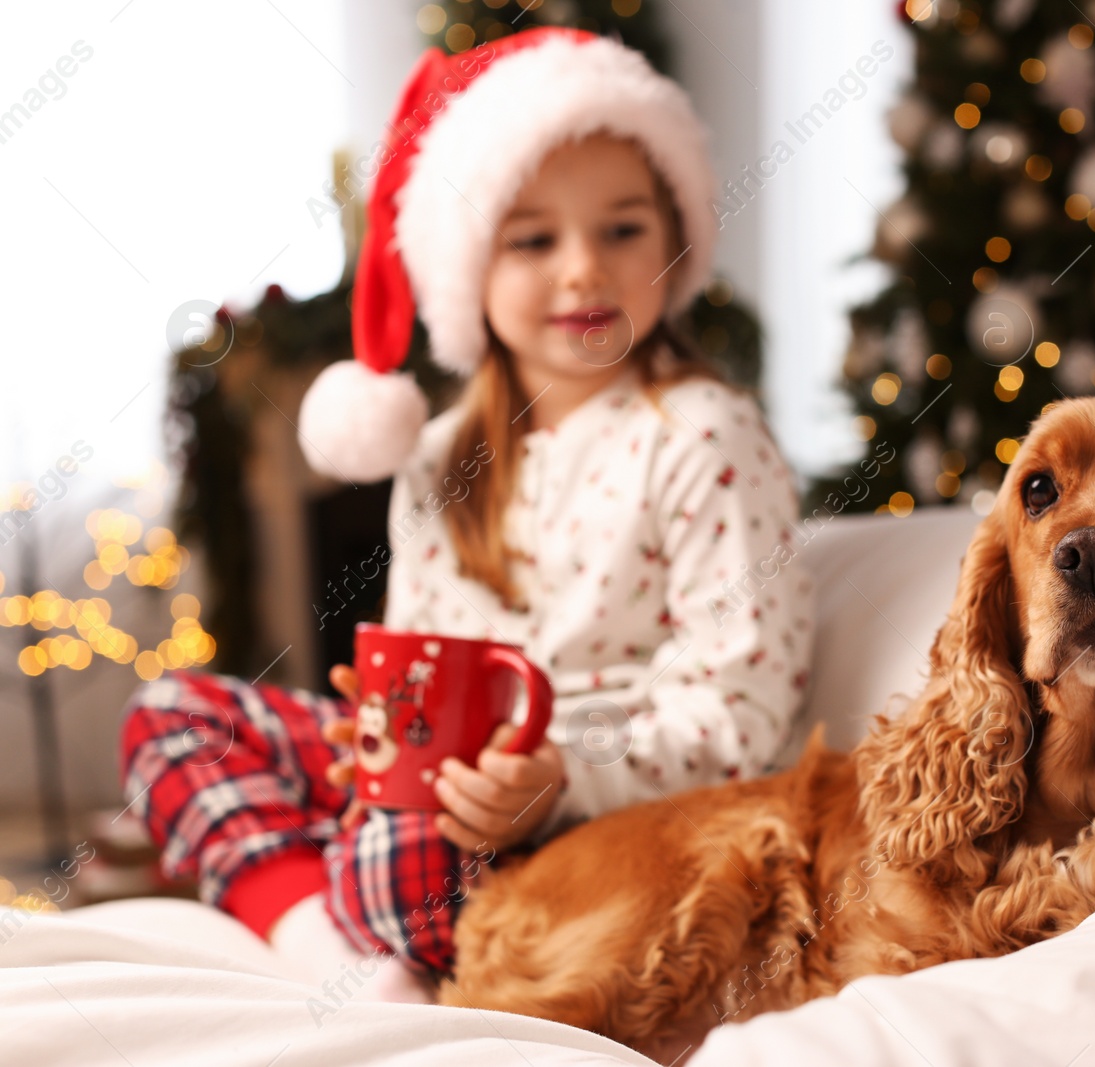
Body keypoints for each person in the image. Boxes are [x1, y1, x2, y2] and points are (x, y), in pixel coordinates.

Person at [118, 26, 813, 1004]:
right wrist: (377, 728)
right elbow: (415, 667)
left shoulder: (701, 435)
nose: (583, 270)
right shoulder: (442, 456)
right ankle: (332, 943)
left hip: (590, 822)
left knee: (397, 851)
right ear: (468, 274)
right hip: (433, 806)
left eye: (622, 229)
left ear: (675, 241)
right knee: (174, 718)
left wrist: (562, 773)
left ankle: (342, 897)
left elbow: (742, 714)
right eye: (533, 239)